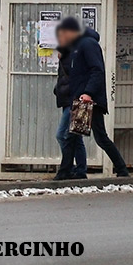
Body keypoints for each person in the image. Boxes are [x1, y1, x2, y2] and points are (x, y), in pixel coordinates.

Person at [56, 17, 129, 177]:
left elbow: (97, 70)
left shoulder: (88, 44)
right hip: (82, 98)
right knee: (72, 136)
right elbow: (77, 70)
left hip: (89, 99)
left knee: (98, 137)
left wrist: (88, 92)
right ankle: (65, 172)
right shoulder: (77, 46)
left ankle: (122, 169)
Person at [52, 26, 85, 180]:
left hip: (73, 99)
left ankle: (70, 168)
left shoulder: (72, 56)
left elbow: (72, 78)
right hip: (67, 99)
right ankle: (79, 169)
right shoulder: (68, 56)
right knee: (75, 137)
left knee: (62, 135)